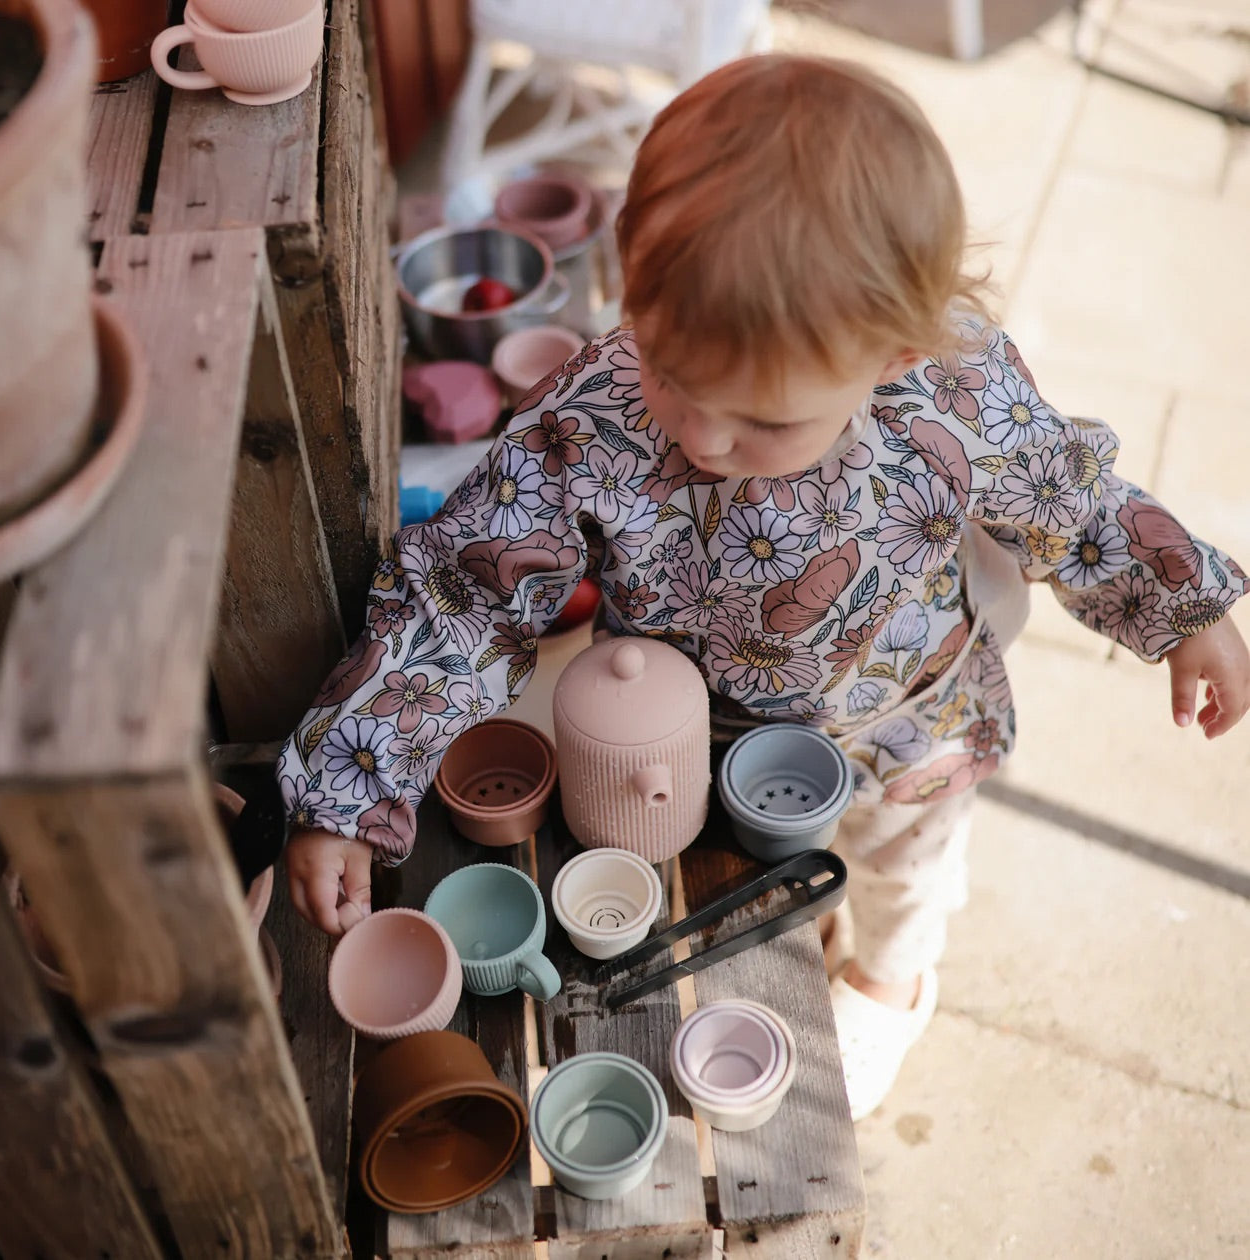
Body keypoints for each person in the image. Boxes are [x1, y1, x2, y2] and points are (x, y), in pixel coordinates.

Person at [278, 54, 1250, 1120]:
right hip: (692, 736)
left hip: (907, 720)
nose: (700, 434)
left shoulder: (957, 393)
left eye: (765, 418)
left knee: (903, 870)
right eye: (670, 374)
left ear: (897, 349)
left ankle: (890, 978)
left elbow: (1078, 503)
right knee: (729, 877)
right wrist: (348, 789)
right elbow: (465, 596)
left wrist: (1185, 612)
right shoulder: (600, 415)